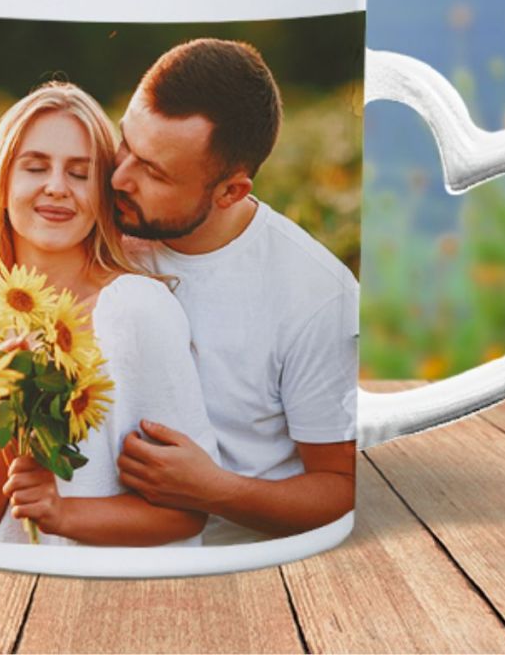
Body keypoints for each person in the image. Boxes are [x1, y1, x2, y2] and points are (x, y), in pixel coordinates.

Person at [0, 81, 220, 546]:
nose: (56, 187)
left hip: (114, 600)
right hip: (0, 605)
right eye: (35, 167)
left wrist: (62, 512)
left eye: (79, 173)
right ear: (3, 186)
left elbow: (187, 514)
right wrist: (2, 444)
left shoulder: (136, 310)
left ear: (103, 194)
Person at [112, 38, 358, 545]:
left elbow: (342, 487)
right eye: (124, 144)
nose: (118, 176)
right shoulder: (102, 224)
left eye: (153, 171)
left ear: (231, 191)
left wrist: (213, 491)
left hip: (238, 570)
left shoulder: (316, 296)